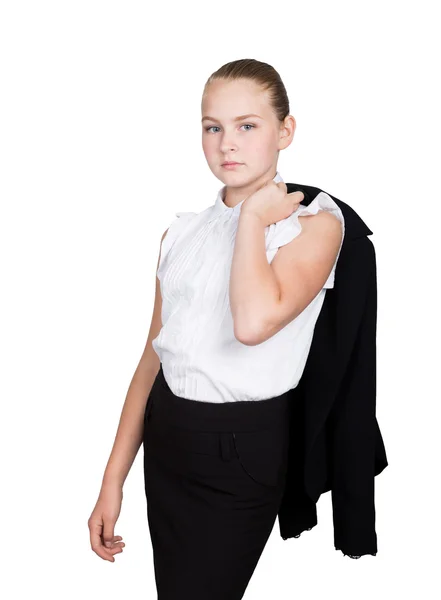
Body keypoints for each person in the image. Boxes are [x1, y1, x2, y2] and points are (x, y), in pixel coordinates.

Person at [88, 58, 345, 599]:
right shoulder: (179, 234)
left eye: (247, 125)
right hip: (168, 440)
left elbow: (253, 324)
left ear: (286, 130)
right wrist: (113, 481)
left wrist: (252, 219)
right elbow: (152, 359)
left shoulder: (315, 227)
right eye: (213, 127)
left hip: (239, 452)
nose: (227, 143)